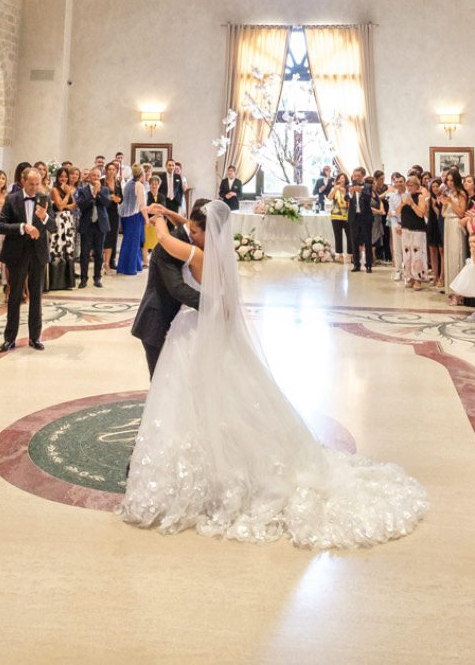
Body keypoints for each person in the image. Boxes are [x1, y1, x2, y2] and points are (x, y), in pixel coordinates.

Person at [121, 199, 427, 547]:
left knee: (197, 390)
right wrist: (177, 215)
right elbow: (188, 231)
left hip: (196, 327)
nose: (189, 234)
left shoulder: (201, 256)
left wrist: (157, 218)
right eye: (188, 229)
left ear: (207, 233)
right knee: (214, 391)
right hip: (206, 326)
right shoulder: (220, 251)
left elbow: (163, 241)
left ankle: (212, 460)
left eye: (194, 230)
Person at [130, 201, 202, 377]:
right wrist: (213, 303)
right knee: (161, 381)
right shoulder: (169, 247)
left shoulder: (187, 238)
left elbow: (184, 224)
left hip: (177, 319)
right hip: (156, 320)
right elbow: (176, 288)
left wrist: (165, 213)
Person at [0, 165, 52, 351]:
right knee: (15, 296)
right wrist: (23, 227)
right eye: (31, 184)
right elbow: (1, 226)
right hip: (17, 252)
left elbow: (52, 227)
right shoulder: (11, 199)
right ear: (23, 182)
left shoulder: (45, 198)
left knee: (36, 296)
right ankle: (9, 338)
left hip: (37, 252)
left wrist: (44, 217)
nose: (35, 188)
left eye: (38, 184)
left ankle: (35, 337)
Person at [47, 165, 78, 291]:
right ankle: (56, 282)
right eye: (61, 177)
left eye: (66, 177)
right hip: (59, 220)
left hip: (68, 220)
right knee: (58, 246)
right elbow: (59, 206)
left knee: (68, 248)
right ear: (58, 177)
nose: (64, 179)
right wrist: (67, 195)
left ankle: (67, 281)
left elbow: (74, 205)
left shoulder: (67, 188)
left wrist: (67, 204)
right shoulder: (54, 190)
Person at [115, 163, 145, 275]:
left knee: (130, 241)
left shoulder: (128, 184)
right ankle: (128, 267)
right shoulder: (139, 185)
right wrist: (147, 218)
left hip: (125, 217)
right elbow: (142, 205)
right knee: (133, 242)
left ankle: (136, 265)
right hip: (134, 216)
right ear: (142, 174)